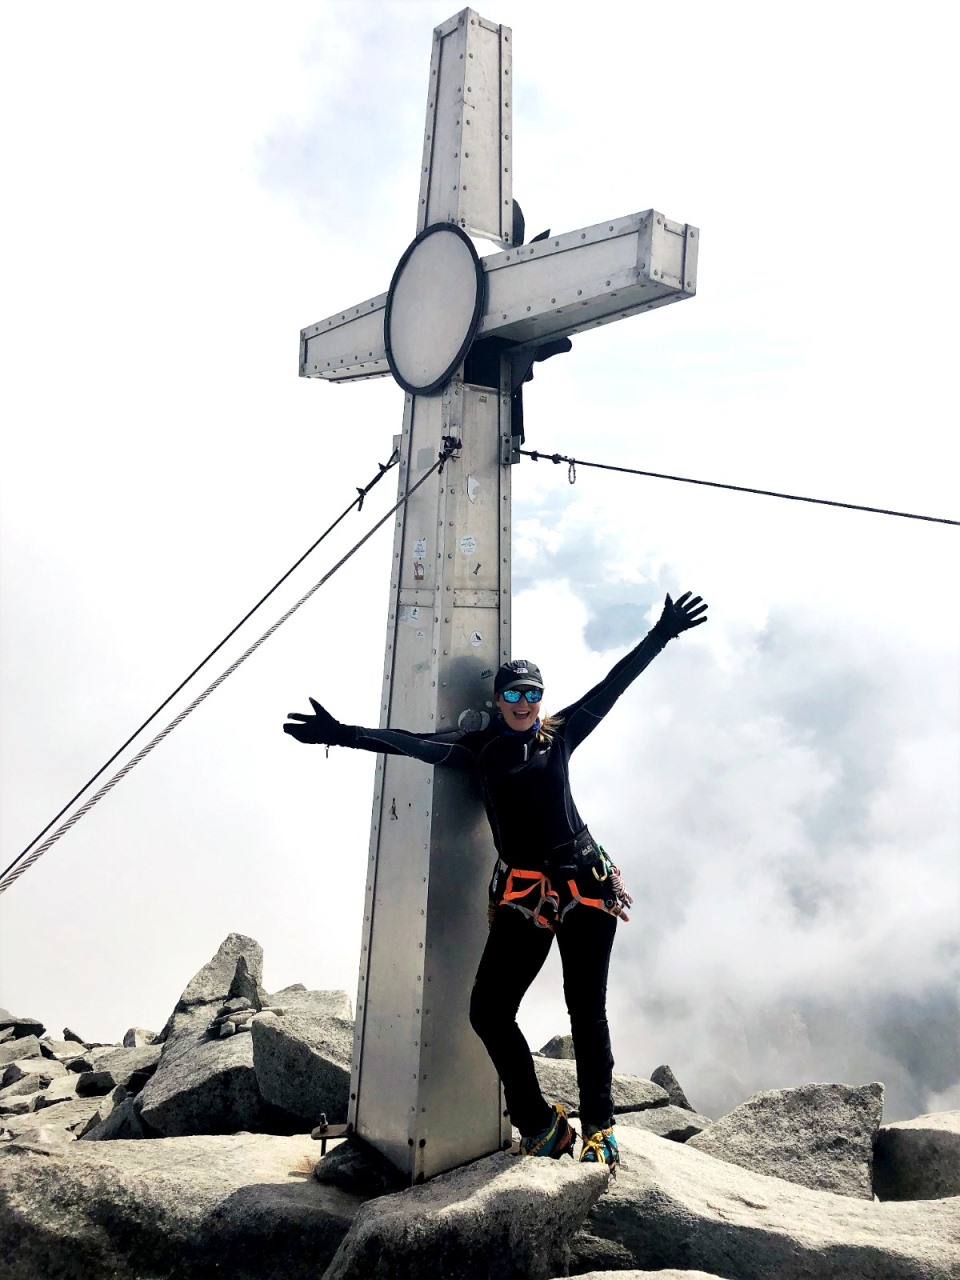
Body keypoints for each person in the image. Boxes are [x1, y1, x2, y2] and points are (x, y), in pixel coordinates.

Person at [284, 590, 708, 1166]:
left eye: (532, 694)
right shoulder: (477, 750)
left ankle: (599, 1129)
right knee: (489, 1011)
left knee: (586, 1010)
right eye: (513, 693)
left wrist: (659, 635)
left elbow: (613, 687)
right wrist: (341, 735)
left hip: (584, 882)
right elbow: (408, 743)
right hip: (526, 894)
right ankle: (539, 1122)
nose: (524, 703)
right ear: (497, 698)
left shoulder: (560, 734)